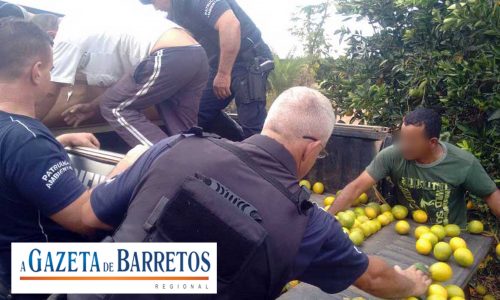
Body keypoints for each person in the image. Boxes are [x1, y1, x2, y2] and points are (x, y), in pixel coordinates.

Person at [78, 87, 430, 299]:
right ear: (312, 149)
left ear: (267, 126)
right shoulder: (309, 226)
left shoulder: (176, 147)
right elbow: (375, 277)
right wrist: (412, 285)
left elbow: (88, 216)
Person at [0, 18, 143, 296]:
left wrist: (56, 143)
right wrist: (127, 166)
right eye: (51, 69)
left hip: (5, 268)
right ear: (37, 72)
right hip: (40, 275)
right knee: (189, 267)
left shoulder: (20, 138)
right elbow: (87, 220)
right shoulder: (26, 141)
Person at [32, 11, 209, 147]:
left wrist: (29, 126)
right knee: (182, 128)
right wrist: (93, 107)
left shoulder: (65, 35)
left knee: (115, 107)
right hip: (195, 53)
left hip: (169, 53)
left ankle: (170, 160)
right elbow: (123, 86)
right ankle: (200, 170)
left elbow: (51, 91)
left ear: (51, 35)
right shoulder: (97, 31)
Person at [329, 108, 500, 227]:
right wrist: (327, 220)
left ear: (432, 142)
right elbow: (356, 187)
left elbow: (491, 194)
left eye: (411, 142)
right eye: (402, 138)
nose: (403, 145)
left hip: (449, 238)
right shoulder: (392, 155)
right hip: (405, 231)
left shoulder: (463, 163)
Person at [140, 0, 275, 141]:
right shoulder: (175, 16)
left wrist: (223, 74)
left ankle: (260, 156)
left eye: (153, 2)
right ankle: (235, 145)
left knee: (251, 120)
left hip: (249, 58)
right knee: (197, 114)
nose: (155, 8)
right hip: (217, 64)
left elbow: (230, 25)